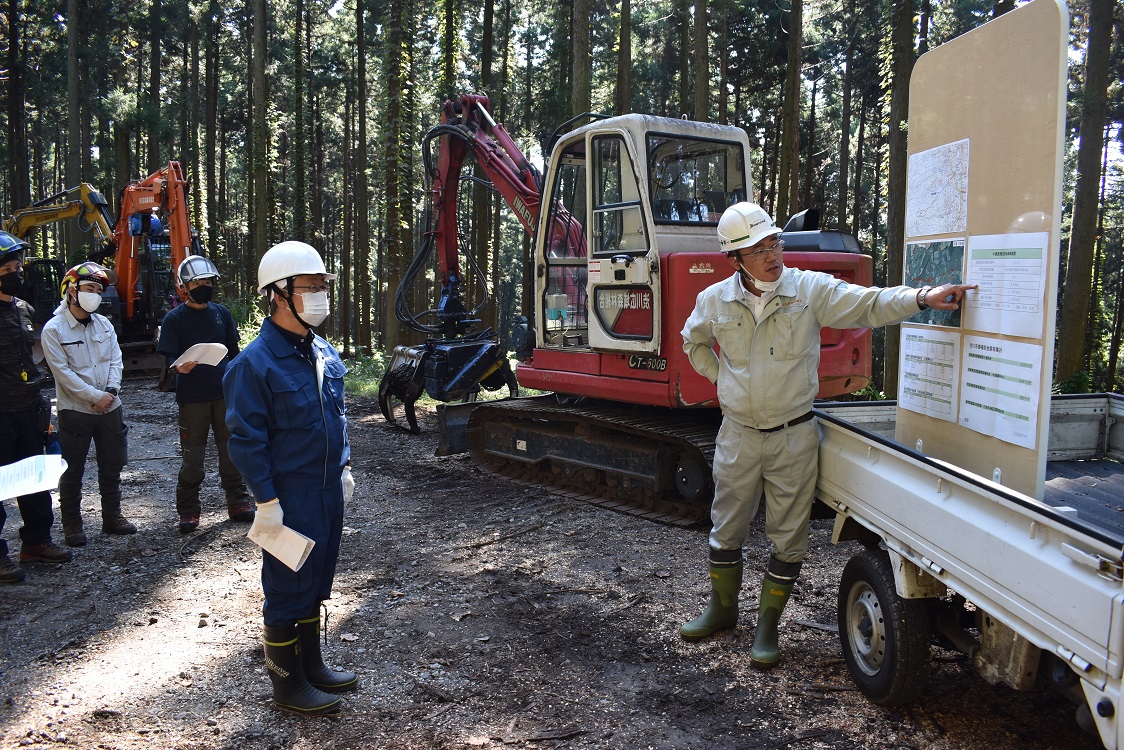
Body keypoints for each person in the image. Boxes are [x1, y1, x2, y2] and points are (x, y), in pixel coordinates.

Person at [679, 202, 976, 669]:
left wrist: (922, 297)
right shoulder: (715, 300)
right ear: (735, 258)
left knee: (789, 535)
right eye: (757, 249)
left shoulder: (809, 291)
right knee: (726, 526)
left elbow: (869, 303)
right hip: (737, 434)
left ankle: (767, 626)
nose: (771, 254)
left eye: (773, 242)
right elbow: (691, 341)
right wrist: (722, 380)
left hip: (793, 435)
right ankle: (721, 610)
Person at [223, 240, 357, 716]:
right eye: (311, 286)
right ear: (279, 294)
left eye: (324, 285)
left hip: (325, 491)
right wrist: (265, 501)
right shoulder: (252, 364)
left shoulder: (321, 351)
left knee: (318, 579)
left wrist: (343, 468)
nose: (321, 294)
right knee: (287, 586)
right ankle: (288, 685)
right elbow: (245, 440)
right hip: (287, 497)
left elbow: (336, 419)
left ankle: (312, 666)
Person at [40, 262, 135, 547]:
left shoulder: (104, 324)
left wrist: (111, 391)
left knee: (112, 464)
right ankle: (72, 524)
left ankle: (113, 517)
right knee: (72, 469)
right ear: (71, 290)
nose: (94, 294)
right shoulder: (53, 330)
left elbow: (116, 360)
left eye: (98, 289)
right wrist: (95, 397)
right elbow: (62, 374)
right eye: (89, 288)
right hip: (76, 411)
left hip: (111, 407)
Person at [157, 255, 254, 534]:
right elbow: (169, 359)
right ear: (184, 286)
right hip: (192, 399)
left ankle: (238, 502)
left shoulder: (221, 313)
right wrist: (179, 368)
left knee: (231, 451)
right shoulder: (175, 318)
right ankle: (188, 510)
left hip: (224, 395)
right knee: (193, 456)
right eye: (198, 281)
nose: (205, 285)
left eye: (208, 281)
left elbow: (234, 355)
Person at [0, 231, 71, 581]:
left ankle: (36, 543)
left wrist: (44, 408)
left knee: (33, 479)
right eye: (9, 268)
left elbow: (31, 358)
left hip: (30, 409)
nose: (17, 273)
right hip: (1, 414)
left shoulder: (24, 308)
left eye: (17, 266)